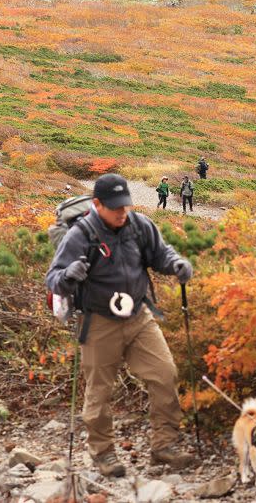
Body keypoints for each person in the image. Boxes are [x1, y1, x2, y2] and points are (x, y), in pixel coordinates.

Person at [45, 173, 196, 477]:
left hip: (139, 316)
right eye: (114, 207)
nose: (121, 212)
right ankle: (103, 453)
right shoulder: (81, 235)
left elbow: (160, 254)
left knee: (165, 373)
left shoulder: (140, 225)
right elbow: (53, 279)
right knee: (100, 391)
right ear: (97, 204)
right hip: (99, 321)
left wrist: (177, 263)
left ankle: (163, 447)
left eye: (125, 205)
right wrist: (69, 275)